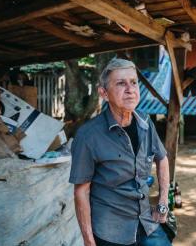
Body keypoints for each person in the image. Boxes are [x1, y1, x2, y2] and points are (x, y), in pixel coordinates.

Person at [69, 58, 171, 246]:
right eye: (121, 83)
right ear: (104, 93)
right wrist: (88, 240)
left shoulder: (146, 124)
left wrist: (163, 200)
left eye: (133, 82)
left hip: (146, 222)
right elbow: (81, 192)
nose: (130, 89)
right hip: (111, 231)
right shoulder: (88, 135)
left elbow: (162, 158)